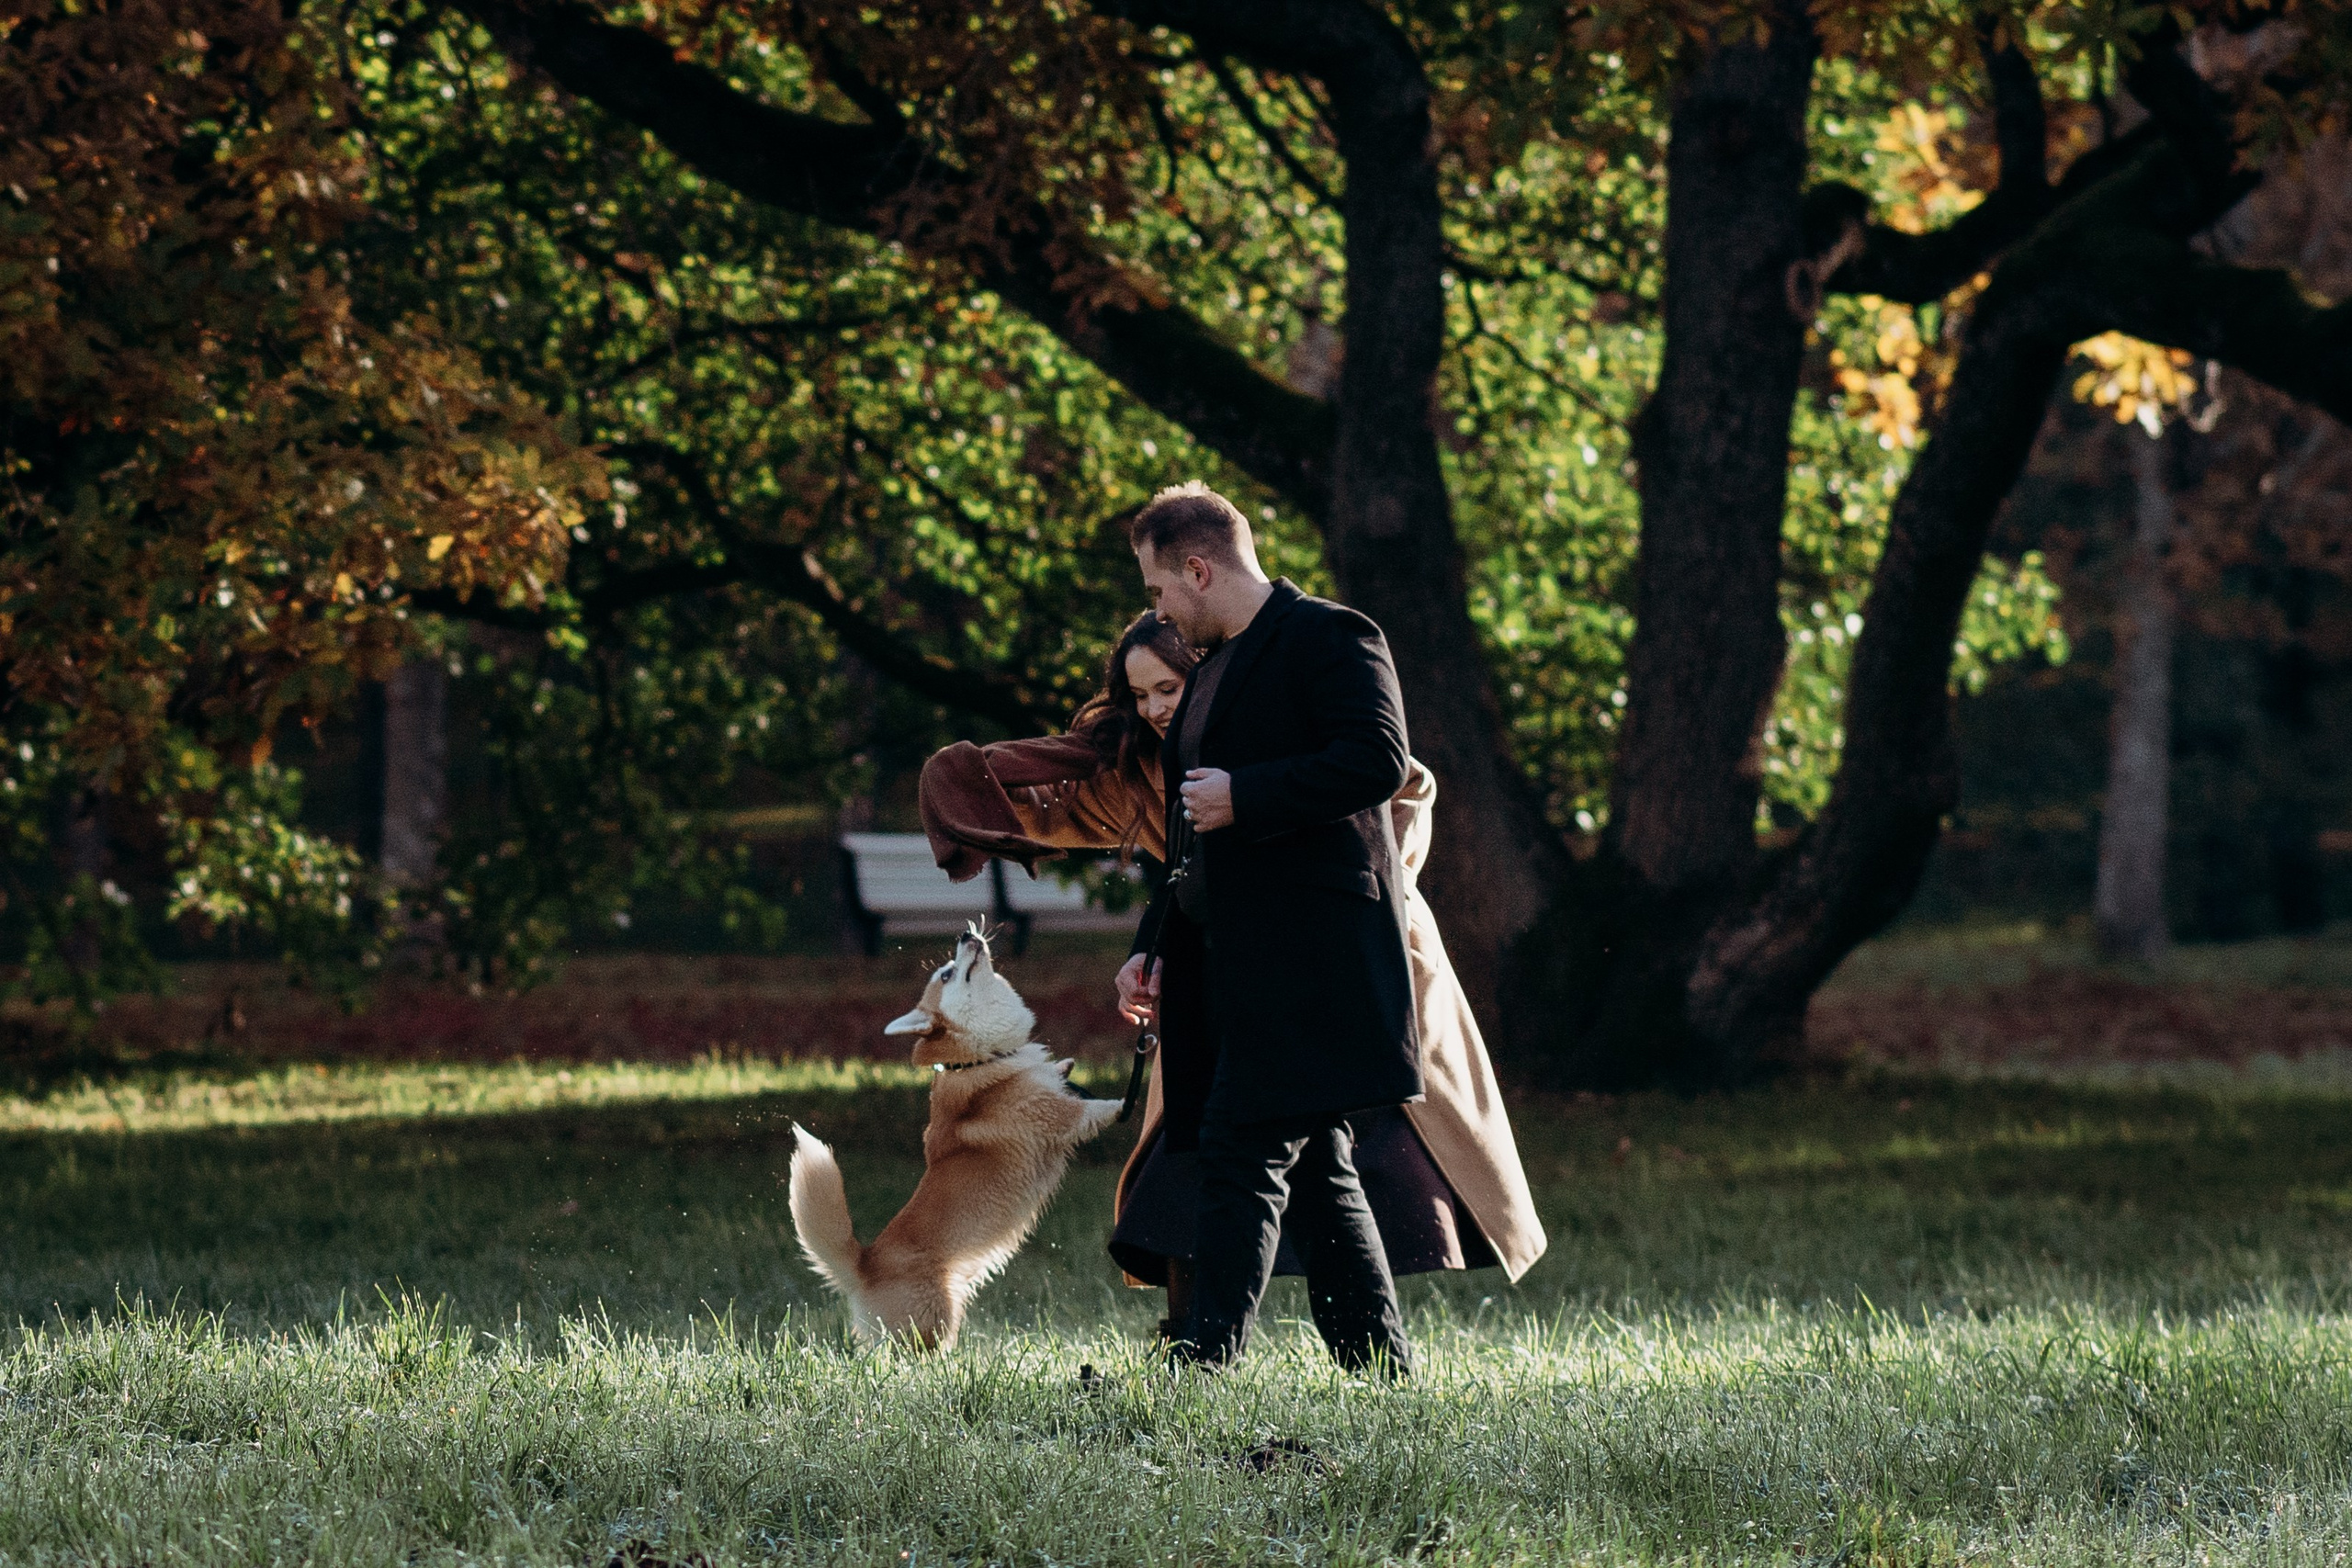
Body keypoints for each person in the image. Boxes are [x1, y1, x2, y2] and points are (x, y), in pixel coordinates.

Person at [921, 482, 1544, 1371]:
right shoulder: (1209, 677)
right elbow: (1188, 847)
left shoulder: (1337, 635)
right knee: (1323, 1176)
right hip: (1228, 969)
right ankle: (1383, 1370)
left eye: (1158, 590)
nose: (1159, 608)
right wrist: (1150, 951)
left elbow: (1375, 760)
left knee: (1241, 1158)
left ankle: (1202, 1367)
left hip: (1313, 965)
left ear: (1200, 568)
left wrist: (1245, 794)